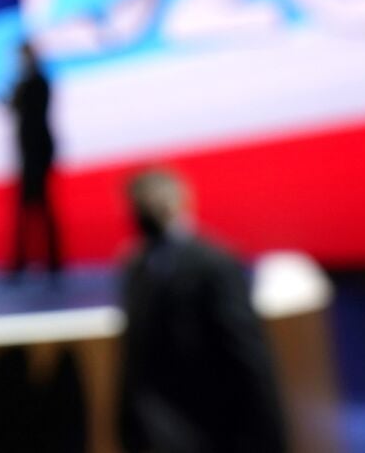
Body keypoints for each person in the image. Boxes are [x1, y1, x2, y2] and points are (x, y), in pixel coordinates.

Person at [117, 168, 287, 453]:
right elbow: (133, 353)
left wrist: (270, 436)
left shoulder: (214, 264)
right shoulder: (136, 267)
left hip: (215, 428)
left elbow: (246, 350)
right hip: (156, 431)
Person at [6, 40, 61, 278]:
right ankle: (31, 261)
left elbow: (30, 112)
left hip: (36, 153)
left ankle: (46, 262)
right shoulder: (30, 81)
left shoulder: (36, 81)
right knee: (30, 209)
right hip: (30, 152)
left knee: (39, 208)